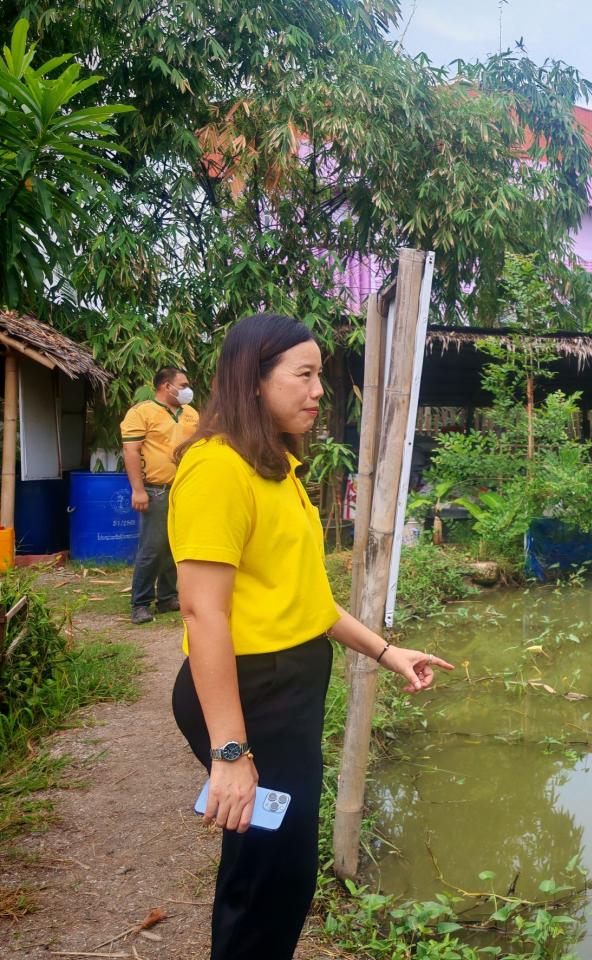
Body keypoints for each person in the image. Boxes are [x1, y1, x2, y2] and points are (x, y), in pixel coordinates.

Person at [168, 313, 454, 960]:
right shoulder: (217, 470)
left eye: (319, 375)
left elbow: (310, 604)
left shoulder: (274, 469)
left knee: (277, 867)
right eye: (304, 375)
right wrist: (232, 752)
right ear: (253, 380)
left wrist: (386, 652)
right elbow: (202, 614)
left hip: (286, 697)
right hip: (252, 701)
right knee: (268, 876)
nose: (319, 389)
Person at [121, 366, 200, 624]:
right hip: (155, 490)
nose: (188, 389)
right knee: (152, 547)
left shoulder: (190, 414)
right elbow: (131, 452)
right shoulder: (141, 413)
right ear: (167, 386)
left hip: (184, 489)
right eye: (184, 384)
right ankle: (140, 603)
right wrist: (138, 490)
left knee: (174, 546)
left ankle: (167, 597)